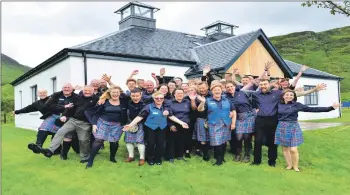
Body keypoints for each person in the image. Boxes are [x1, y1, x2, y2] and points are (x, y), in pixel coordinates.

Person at [276, 89, 339, 172]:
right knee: (285, 148)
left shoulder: (297, 105)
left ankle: (295, 166)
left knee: (293, 149)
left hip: (293, 126)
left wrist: (330, 108)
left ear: (294, 97)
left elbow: (312, 109)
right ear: (283, 96)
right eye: (287, 94)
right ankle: (289, 165)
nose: (289, 96)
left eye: (291, 95)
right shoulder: (278, 104)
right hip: (281, 126)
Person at [123, 91, 189, 166]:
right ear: (154, 99)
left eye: (161, 98)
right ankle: (150, 159)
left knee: (160, 144)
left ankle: (158, 158)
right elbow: (140, 116)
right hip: (150, 128)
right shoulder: (148, 107)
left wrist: (181, 123)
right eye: (157, 98)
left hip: (162, 128)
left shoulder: (165, 108)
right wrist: (130, 125)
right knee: (151, 143)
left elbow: (171, 116)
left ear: (163, 99)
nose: (159, 100)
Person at [40, 85, 99, 163]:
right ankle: (50, 150)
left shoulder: (97, 99)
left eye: (89, 91)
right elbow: (70, 108)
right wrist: (64, 115)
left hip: (86, 123)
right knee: (61, 131)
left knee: (83, 140)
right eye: (85, 90)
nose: (87, 92)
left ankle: (85, 157)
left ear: (93, 91)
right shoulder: (78, 98)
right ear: (83, 91)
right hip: (73, 120)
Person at [84, 86, 128, 168]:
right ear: (110, 93)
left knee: (114, 142)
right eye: (113, 92)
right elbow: (96, 113)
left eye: (117, 92)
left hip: (117, 124)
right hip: (103, 122)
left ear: (120, 93)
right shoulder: (104, 101)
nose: (115, 94)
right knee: (98, 140)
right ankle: (90, 160)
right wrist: (94, 124)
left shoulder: (124, 102)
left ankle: (112, 158)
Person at [197, 84, 237, 166]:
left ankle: (221, 158)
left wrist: (233, 123)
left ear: (221, 91)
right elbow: (200, 110)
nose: (217, 91)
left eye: (218, 89)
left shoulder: (227, 100)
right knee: (217, 142)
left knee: (224, 142)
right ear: (212, 92)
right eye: (215, 90)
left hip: (226, 124)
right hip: (214, 124)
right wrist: (202, 102)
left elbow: (233, 111)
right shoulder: (207, 100)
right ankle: (219, 161)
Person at [12, 89, 59, 154]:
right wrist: (16, 112)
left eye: (44, 92)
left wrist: (72, 89)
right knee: (42, 129)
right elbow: (27, 109)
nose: (42, 94)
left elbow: (63, 95)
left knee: (54, 133)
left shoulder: (53, 98)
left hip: (59, 117)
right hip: (49, 118)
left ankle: (57, 149)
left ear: (47, 93)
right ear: (38, 94)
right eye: (40, 93)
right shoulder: (37, 104)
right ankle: (38, 147)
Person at [225, 81, 255, 163]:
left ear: (235, 86)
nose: (230, 88)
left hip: (248, 116)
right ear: (226, 89)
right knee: (238, 138)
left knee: (247, 138)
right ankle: (238, 154)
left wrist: (256, 109)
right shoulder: (226, 97)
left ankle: (247, 155)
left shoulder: (242, 93)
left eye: (231, 86)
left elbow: (256, 97)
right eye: (227, 87)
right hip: (237, 117)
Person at [166, 88, 195, 163]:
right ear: (174, 94)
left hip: (185, 125)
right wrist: (170, 125)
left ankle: (180, 156)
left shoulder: (187, 102)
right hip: (174, 124)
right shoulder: (169, 103)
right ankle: (171, 157)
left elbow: (191, 112)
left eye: (181, 93)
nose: (180, 94)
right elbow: (167, 115)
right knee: (171, 141)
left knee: (182, 141)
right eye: (178, 93)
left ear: (183, 94)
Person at [123, 89, 147, 166]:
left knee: (140, 141)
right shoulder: (127, 103)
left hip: (141, 124)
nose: (135, 97)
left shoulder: (145, 104)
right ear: (130, 96)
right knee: (128, 140)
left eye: (137, 96)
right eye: (133, 96)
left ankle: (142, 158)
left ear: (141, 95)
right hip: (129, 123)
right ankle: (131, 156)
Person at [194, 82, 212, 161]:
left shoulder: (212, 95)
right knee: (203, 137)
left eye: (203, 88)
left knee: (212, 136)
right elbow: (197, 109)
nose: (202, 90)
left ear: (207, 87)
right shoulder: (196, 97)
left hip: (212, 118)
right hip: (201, 119)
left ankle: (213, 152)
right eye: (200, 88)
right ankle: (205, 154)